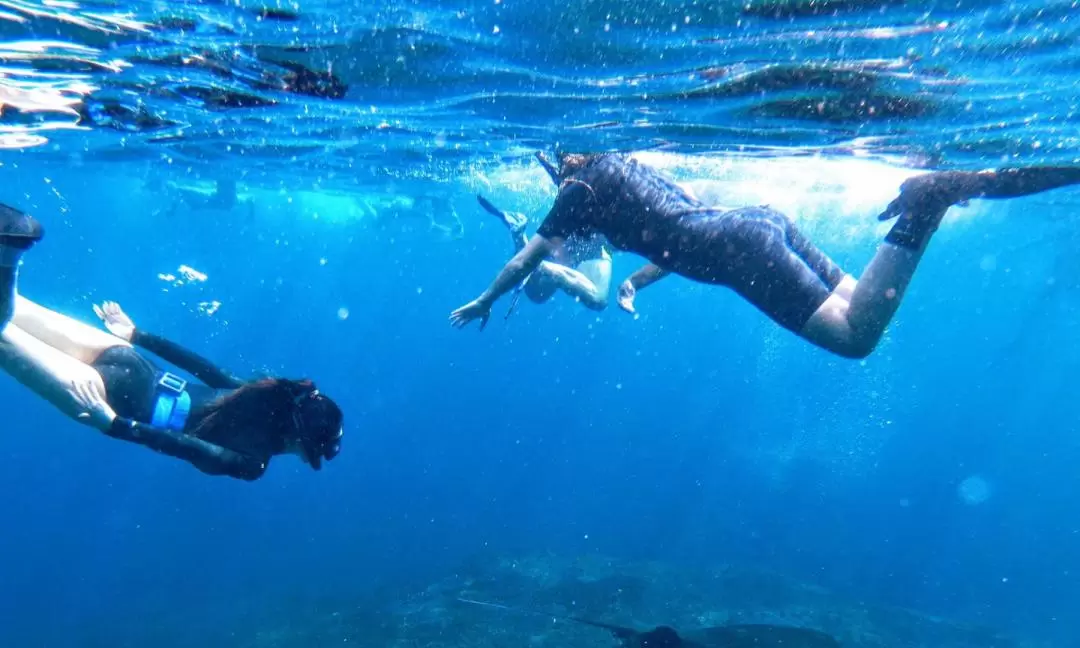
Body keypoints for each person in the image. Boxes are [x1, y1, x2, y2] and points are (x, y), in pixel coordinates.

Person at [450, 153, 1080, 359]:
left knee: (856, 338)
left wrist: (484, 299)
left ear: (560, 169)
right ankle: (923, 210)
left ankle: (926, 206)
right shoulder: (625, 166)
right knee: (862, 304)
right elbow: (682, 229)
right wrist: (639, 282)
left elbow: (524, 262)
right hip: (758, 221)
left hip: (736, 252)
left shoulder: (576, 194)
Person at [0, 204, 343, 480]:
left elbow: (201, 365)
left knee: (18, 307)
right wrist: (115, 425)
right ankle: (10, 254)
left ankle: (11, 247)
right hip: (108, 398)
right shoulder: (253, 463)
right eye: (306, 452)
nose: (300, 457)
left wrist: (137, 336)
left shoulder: (255, 394)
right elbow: (184, 446)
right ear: (301, 438)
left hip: (132, 361)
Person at [476, 193, 612, 313]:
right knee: (598, 300)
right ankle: (539, 263)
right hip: (593, 241)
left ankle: (522, 242)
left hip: (570, 226)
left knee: (538, 294)